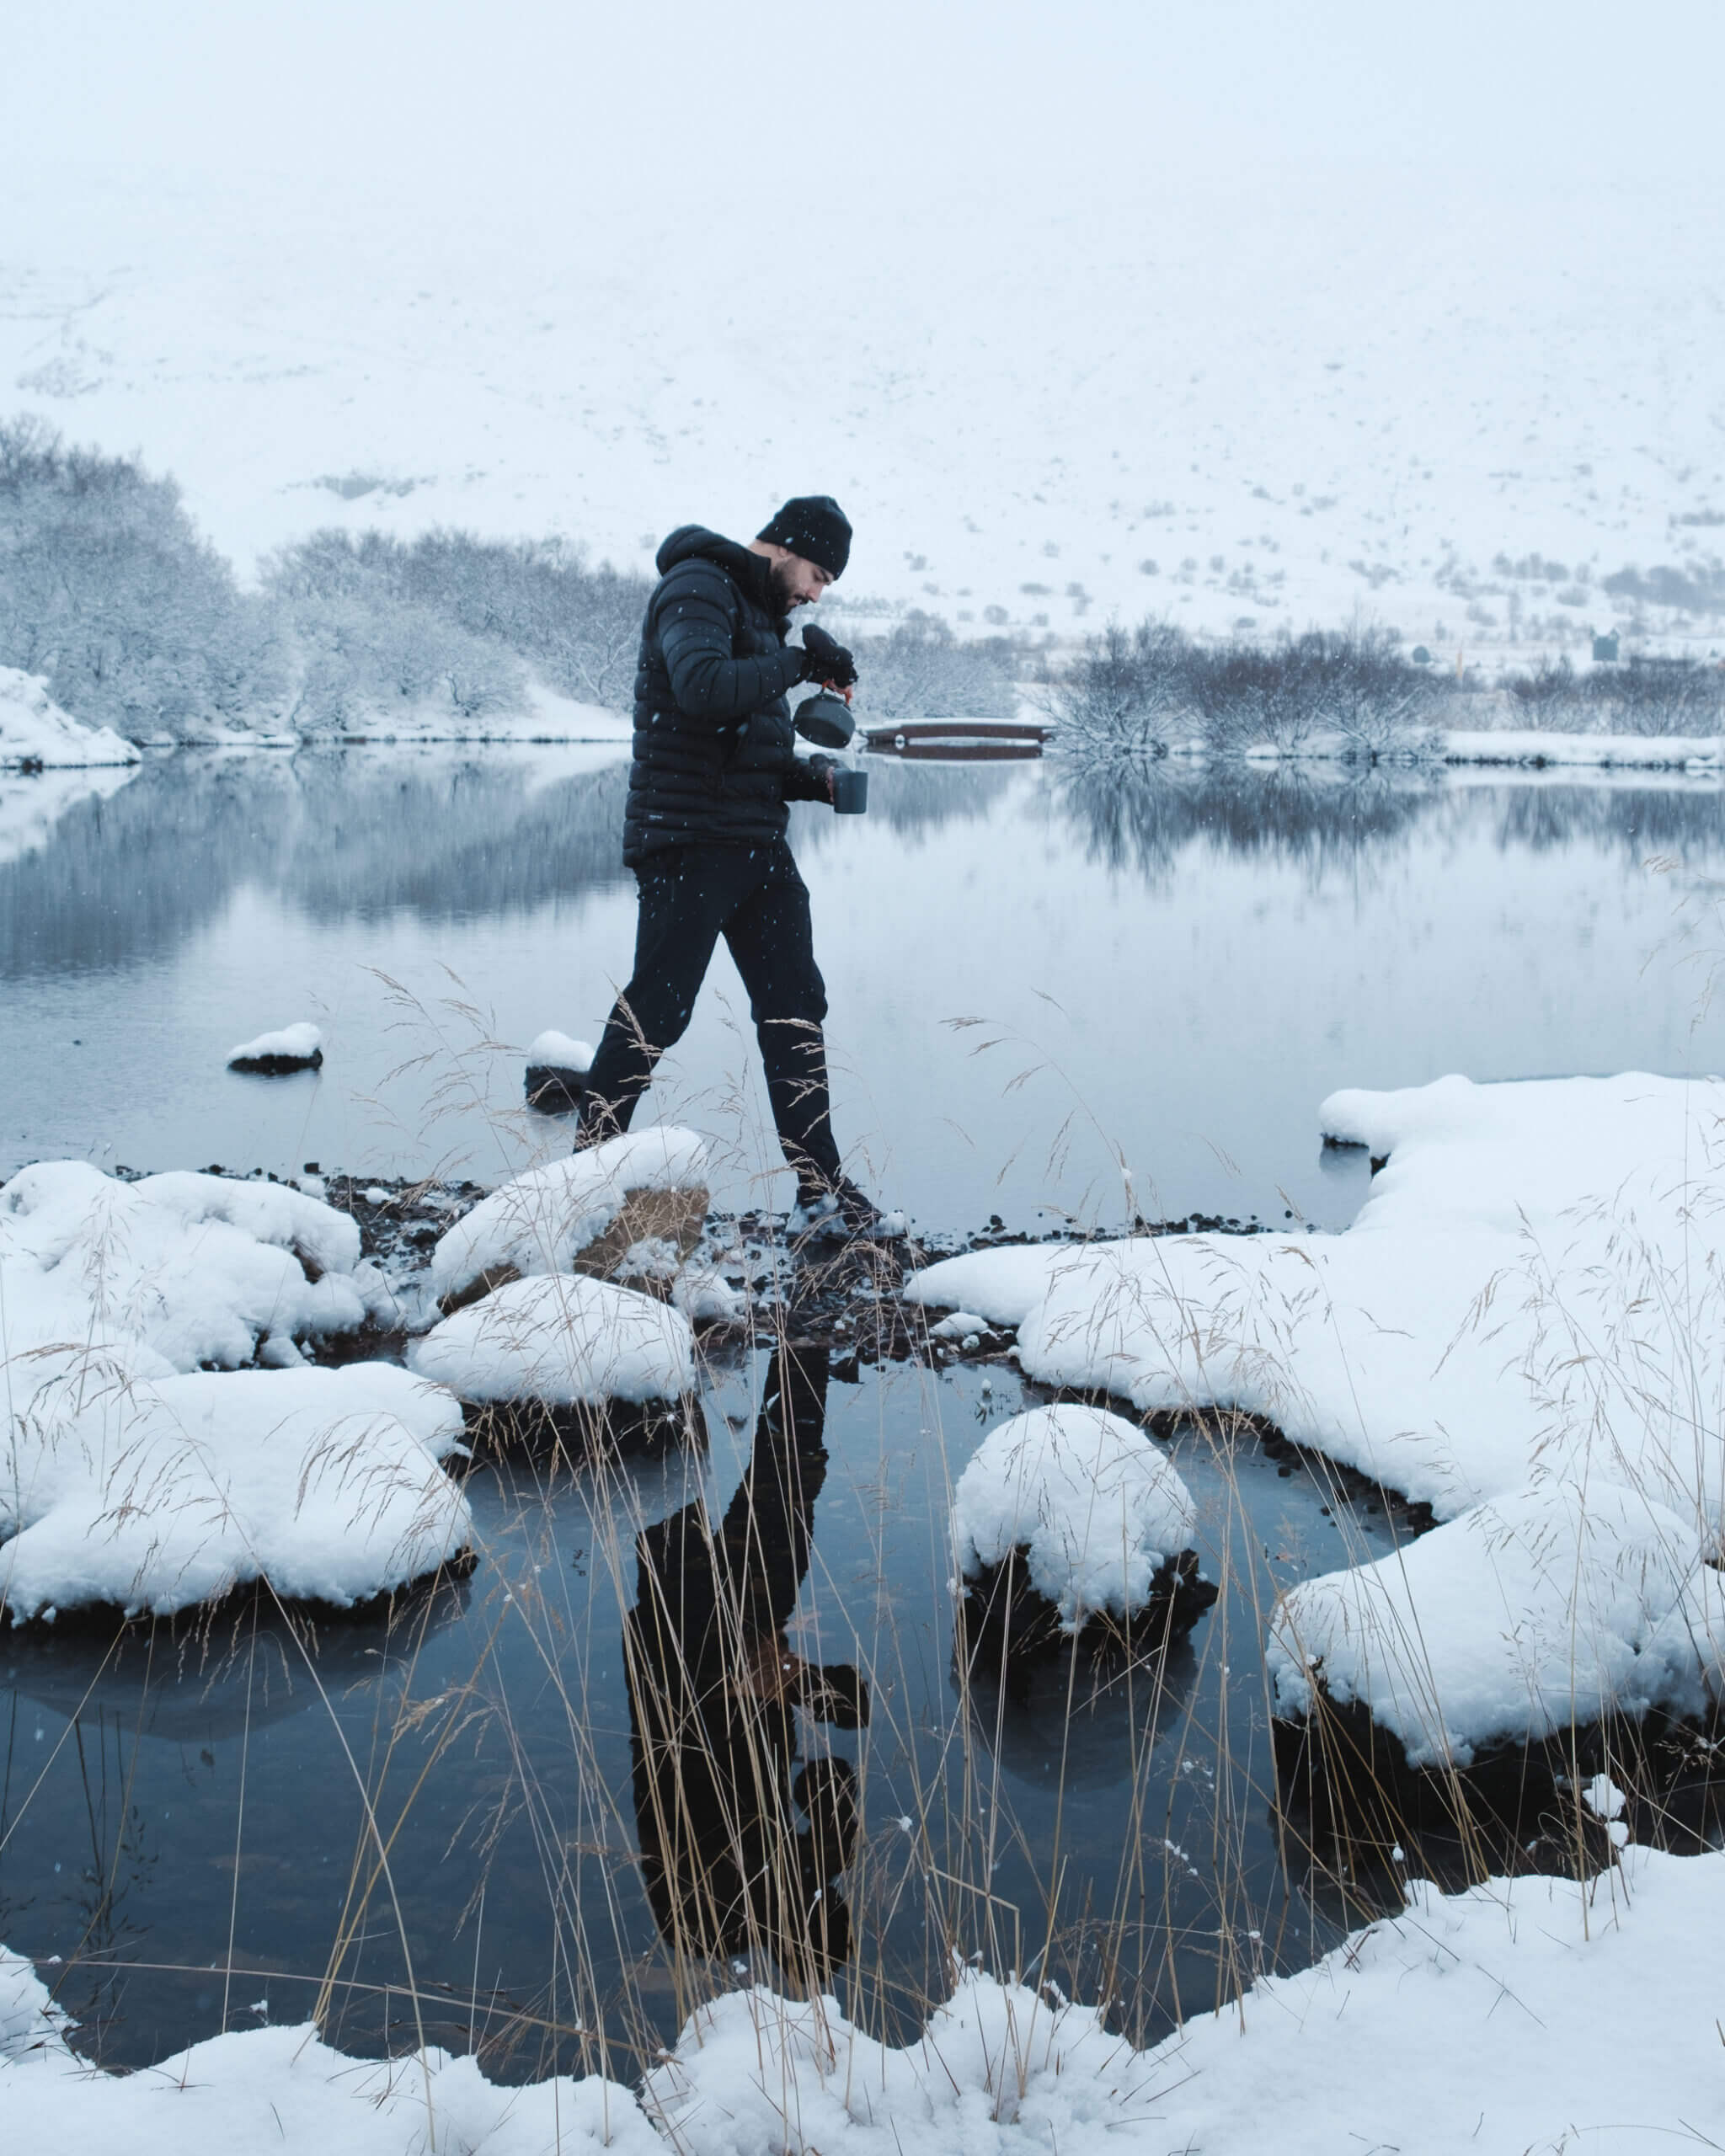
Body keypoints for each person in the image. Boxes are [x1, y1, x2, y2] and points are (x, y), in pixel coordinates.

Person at [575, 495, 887, 1237]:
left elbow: (754, 758)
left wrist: (820, 779)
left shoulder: (761, 620)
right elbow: (703, 690)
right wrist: (797, 660)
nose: (816, 593)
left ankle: (820, 1193)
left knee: (795, 1006)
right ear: (784, 548)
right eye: (816, 574)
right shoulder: (696, 586)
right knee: (659, 1008)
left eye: (827, 587)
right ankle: (582, 1178)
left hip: (757, 848)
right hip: (686, 843)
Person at [624, 1342, 864, 1981]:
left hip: (687, 1650)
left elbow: (683, 1772)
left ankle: (794, 1350)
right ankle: (793, 1357)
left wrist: (781, 1686)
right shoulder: (738, 1915)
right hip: (700, 1647)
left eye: (830, 1903)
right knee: (766, 1494)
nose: (829, 1890)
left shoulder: (711, 1921)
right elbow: (827, 1777)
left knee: (754, 1491)